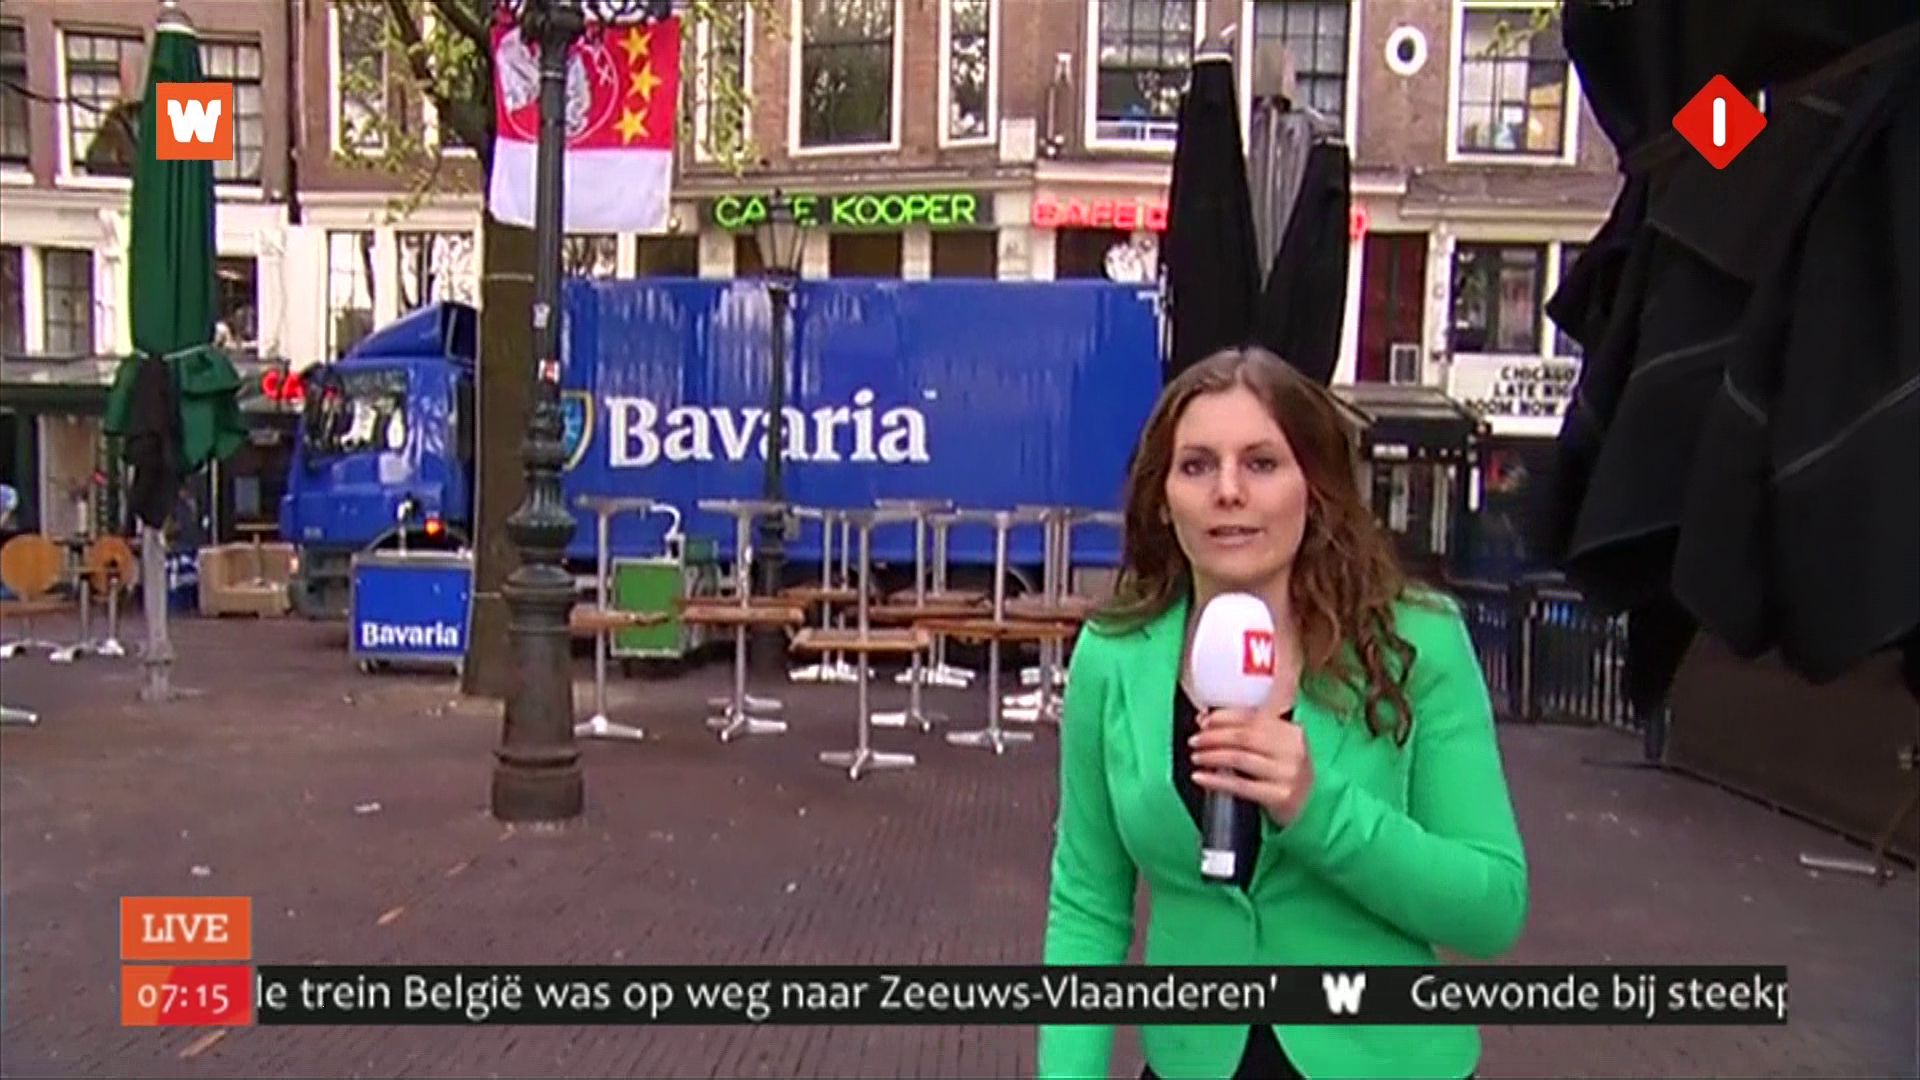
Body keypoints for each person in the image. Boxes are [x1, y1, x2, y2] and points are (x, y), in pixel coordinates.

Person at [1039, 346, 1527, 1080]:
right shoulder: (1114, 656)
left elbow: (1491, 910)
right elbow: (1087, 904)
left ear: (1315, 487)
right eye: (1197, 465)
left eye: (1262, 463)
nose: (1228, 491)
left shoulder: (1417, 641)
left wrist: (1317, 809)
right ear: (1163, 498)